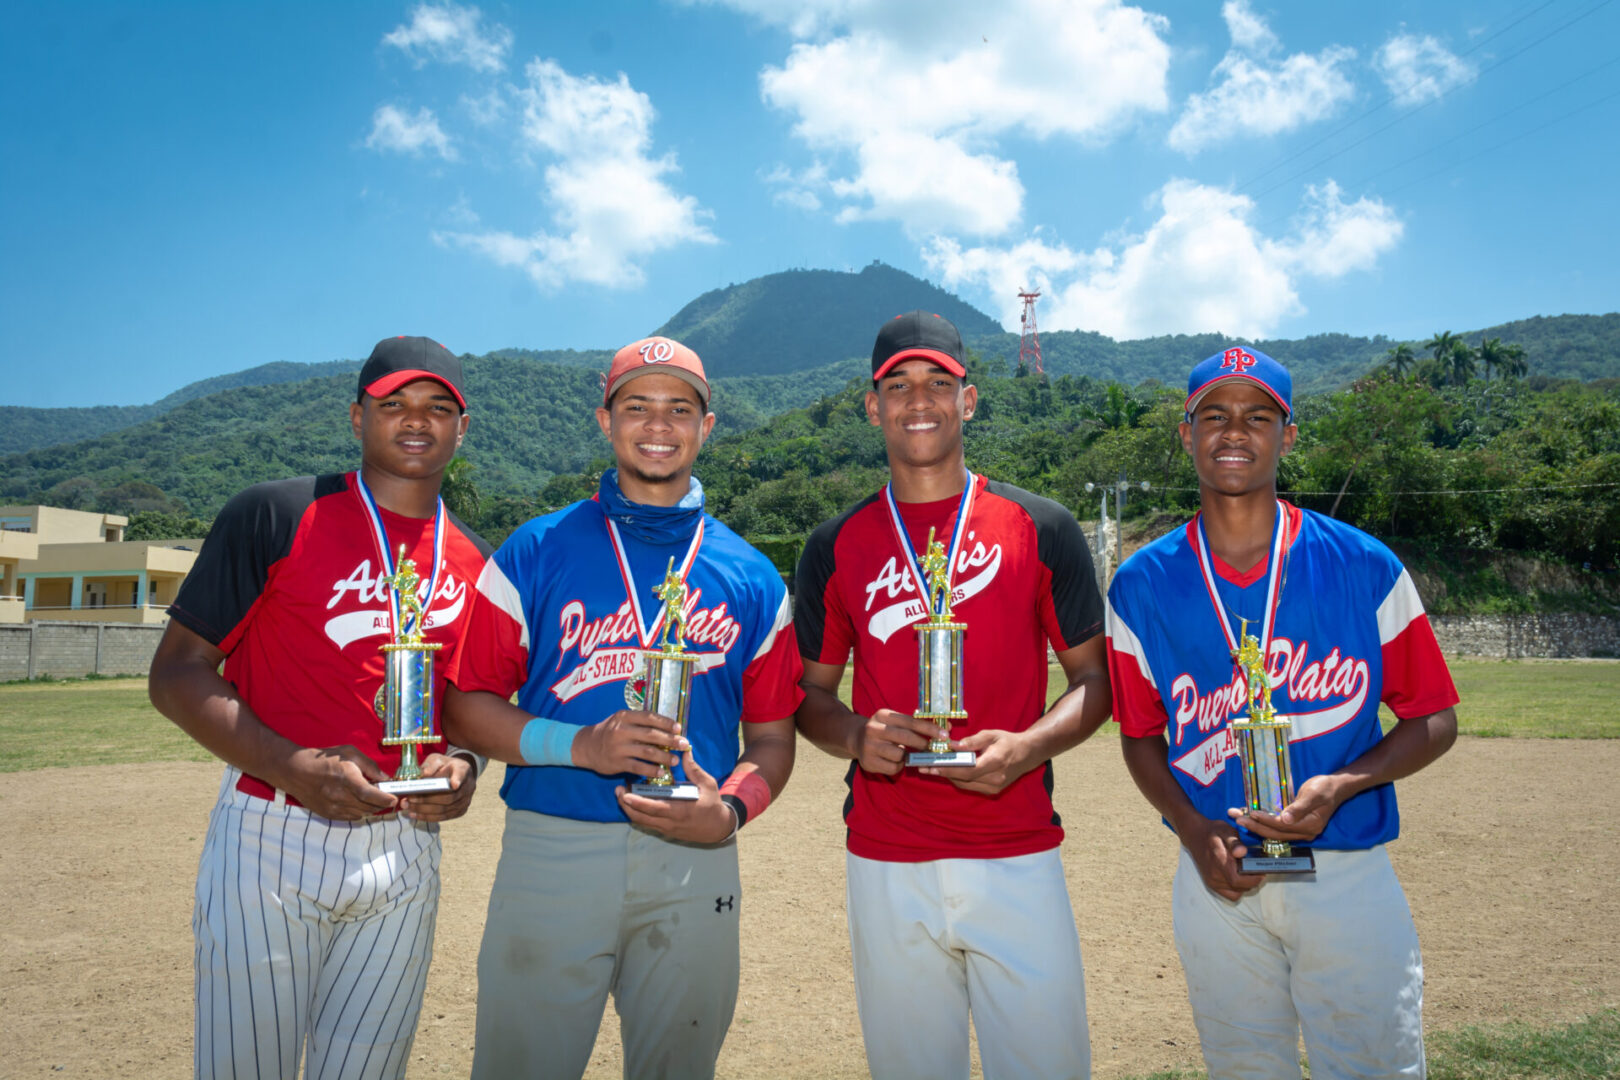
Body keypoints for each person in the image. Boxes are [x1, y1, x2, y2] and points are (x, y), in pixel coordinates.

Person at [442, 335, 803, 1080]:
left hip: (694, 858)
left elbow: (772, 740)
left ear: (708, 426)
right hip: (554, 844)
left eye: (680, 408)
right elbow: (465, 708)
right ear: (605, 420)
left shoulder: (753, 574)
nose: (658, 425)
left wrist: (729, 811)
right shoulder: (535, 549)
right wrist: (581, 747)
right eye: (637, 407)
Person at [1106, 346, 1460, 1077]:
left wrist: (1341, 786)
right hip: (1218, 873)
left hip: (1347, 865)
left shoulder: (1363, 564)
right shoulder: (1140, 584)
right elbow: (1140, 738)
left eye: (1258, 416)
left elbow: (1434, 716)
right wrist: (1193, 827)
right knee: (1242, 1067)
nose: (1234, 431)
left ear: (1287, 435)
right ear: (1186, 433)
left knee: (1375, 1065)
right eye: (1214, 415)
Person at [148, 335, 492, 1080]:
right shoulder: (276, 513)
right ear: (356, 416)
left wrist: (463, 765)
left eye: (439, 407)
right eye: (393, 402)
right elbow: (176, 674)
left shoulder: (475, 557)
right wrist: (292, 767)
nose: (415, 420)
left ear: (462, 428)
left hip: (404, 843)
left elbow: (468, 705)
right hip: (272, 832)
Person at [793, 310, 1111, 1079]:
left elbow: (1095, 683)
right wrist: (854, 737)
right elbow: (808, 697)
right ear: (872, 406)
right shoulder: (834, 545)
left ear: (969, 399)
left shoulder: (1042, 525)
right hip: (887, 855)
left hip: (1017, 846)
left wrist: (1028, 746)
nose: (918, 400)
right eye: (897, 386)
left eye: (939, 382)